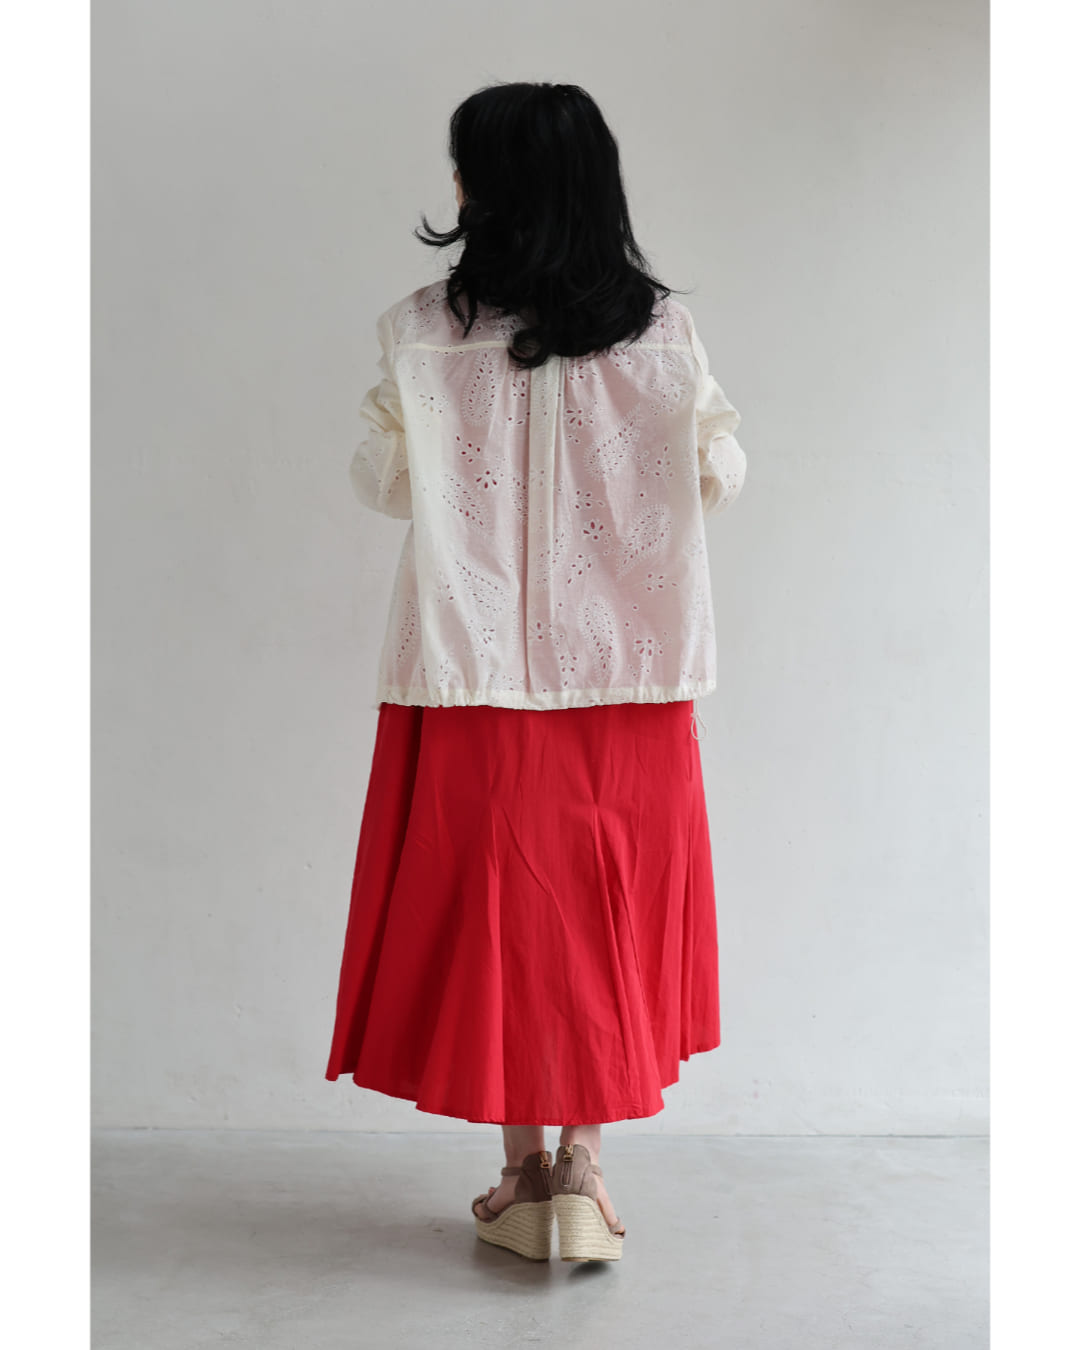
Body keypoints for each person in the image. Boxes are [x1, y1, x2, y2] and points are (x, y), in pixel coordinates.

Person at [324, 81, 747, 1263]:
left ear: (481, 190)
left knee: (498, 908)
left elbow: (386, 485)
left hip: (470, 670)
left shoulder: (422, 330)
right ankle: (586, 1172)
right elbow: (718, 476)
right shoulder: (663, 333)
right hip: (632, 671)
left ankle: (520, 1175)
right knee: (609, 908)